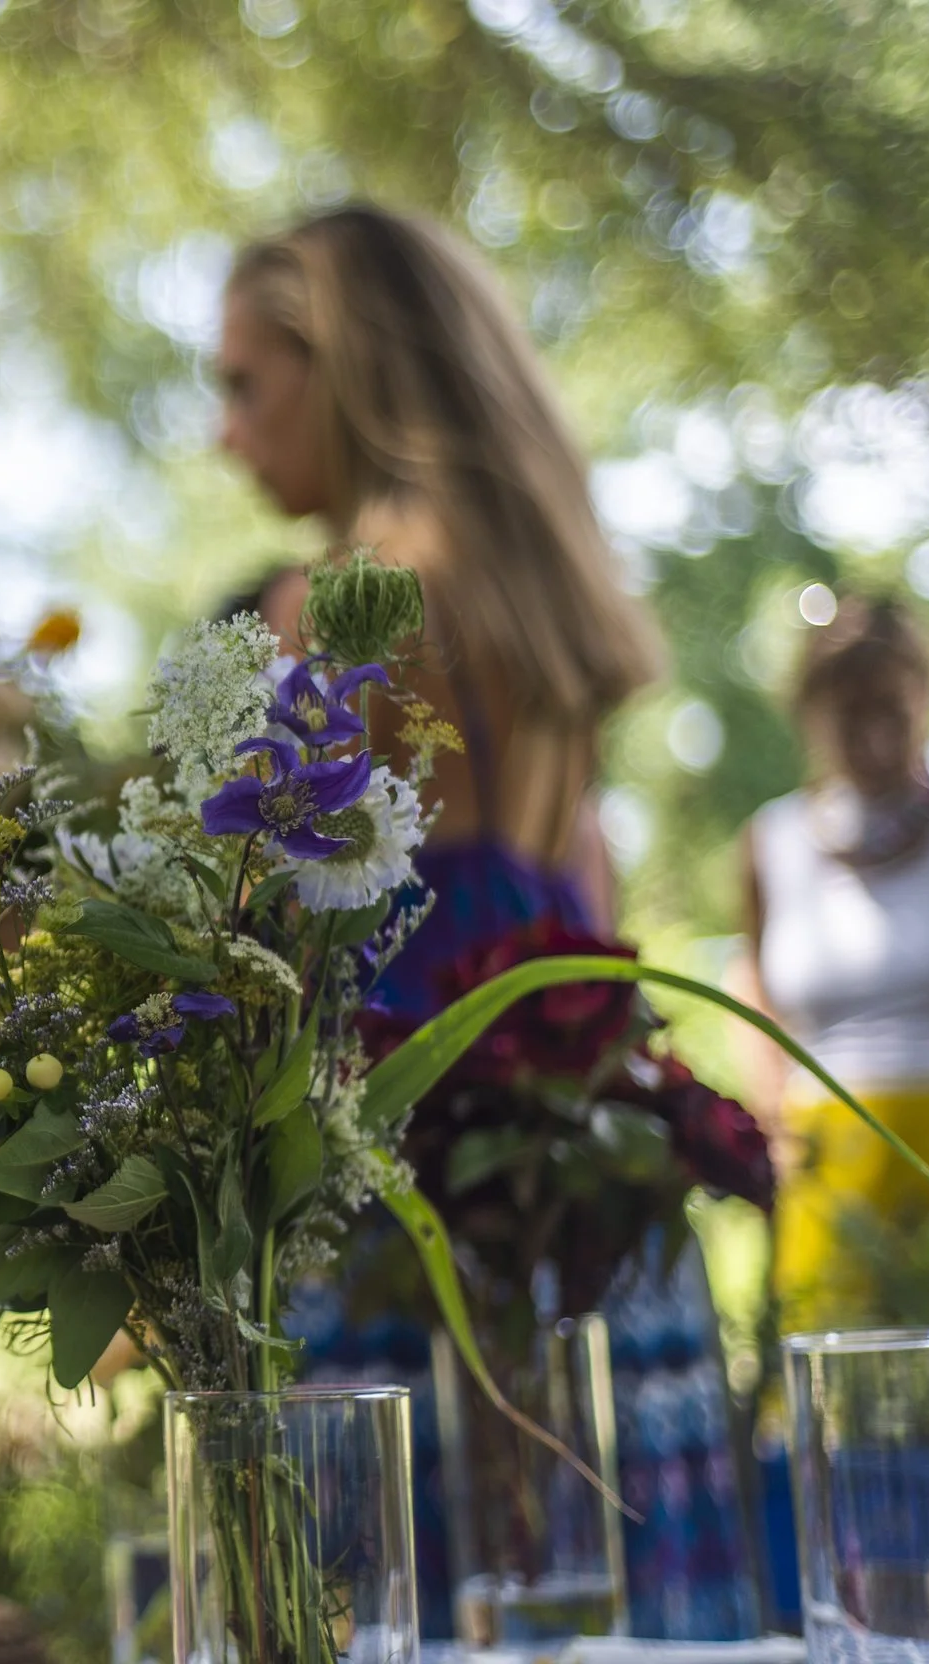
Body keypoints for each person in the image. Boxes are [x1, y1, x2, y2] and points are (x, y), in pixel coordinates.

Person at [217, 204, 759, 1640]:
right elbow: (591, 911)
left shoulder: (340, 607)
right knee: (612, 1594)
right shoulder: (546, 595)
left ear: (341, 365)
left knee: (413, 1591)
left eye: (246, 383)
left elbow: (266, 939)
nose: (227, 432)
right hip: (584, 1169)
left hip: (408, 1180)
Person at [745, 596, 929, 1330]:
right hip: (829, 1171)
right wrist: (770, 1122)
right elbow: (756, 992)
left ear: (924, 696)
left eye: (889, 710)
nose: (871, 736)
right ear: (810, 715)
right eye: (848, 714)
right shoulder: (771, 843)